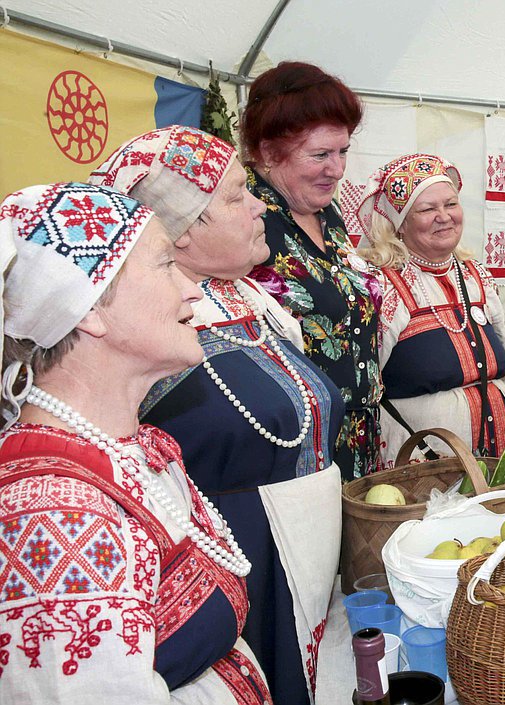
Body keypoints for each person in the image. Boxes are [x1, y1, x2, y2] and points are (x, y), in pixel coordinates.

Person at [88, 126, 346, 705]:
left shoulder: (250, 298)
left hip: (307, 544)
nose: (259, 205)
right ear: (177, 231)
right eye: (234, 197)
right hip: (243, 557)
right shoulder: (148, 333)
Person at [0, 183, 271, 702]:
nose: (193, 290)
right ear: (88, 311)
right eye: (166, 264)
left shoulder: (124, 451)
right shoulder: (56, 515)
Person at [240, 61, 382, 480]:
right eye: (320, 154)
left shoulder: (328, 215)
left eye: (342, 152)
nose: (336, 169)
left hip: (359, 438)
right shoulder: (247, 219)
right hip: (296, 447)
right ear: (268, 152)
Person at [355, 153, 505, 463]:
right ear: (400, 224)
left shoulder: (476, 276)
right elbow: (364, 384)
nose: (444, 216)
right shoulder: (384, 286)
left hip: (498, 452)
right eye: (427, 208)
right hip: (424, 464)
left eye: (450, 204)